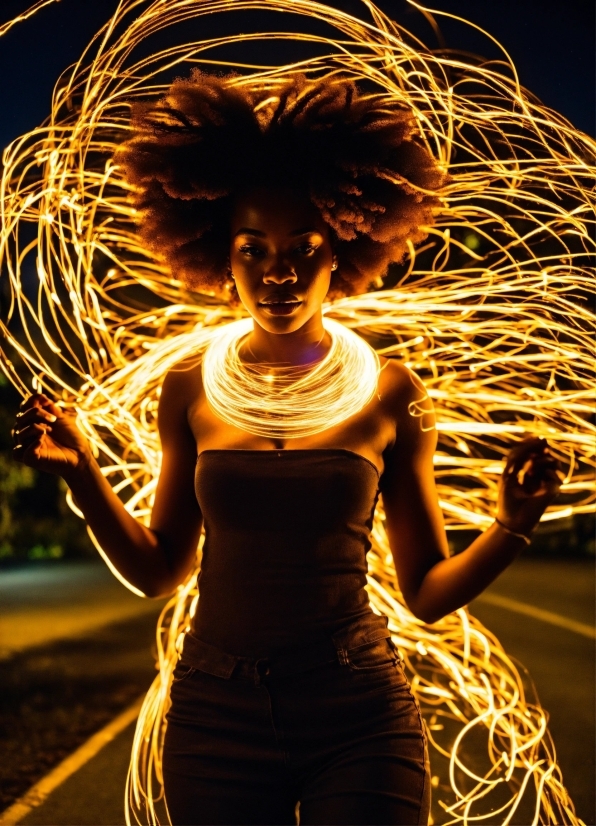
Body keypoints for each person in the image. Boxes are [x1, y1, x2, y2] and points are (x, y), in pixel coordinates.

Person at [11, 72, 562, 826]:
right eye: (253, 248)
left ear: (343, 252)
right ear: (218, 255)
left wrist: (513, 523)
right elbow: (159, 569)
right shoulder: (190, 389)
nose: (279, 272)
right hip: (215, 714)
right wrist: (83, 479)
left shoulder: (391, 392)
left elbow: (428, 592)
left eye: (305, 247)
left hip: (358, 710)